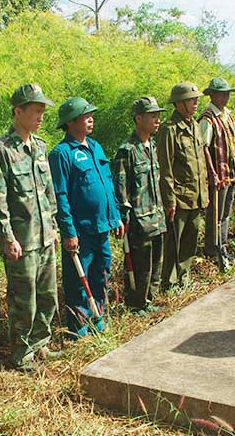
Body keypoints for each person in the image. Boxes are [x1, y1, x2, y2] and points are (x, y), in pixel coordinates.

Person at [0, 84, 62, 372]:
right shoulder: (1, 150)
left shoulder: (40, 146)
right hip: (22, 239)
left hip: (44, 236)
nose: (41, 116)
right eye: (36, 111)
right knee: (23, 299)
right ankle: (22, 352)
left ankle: (41, 342)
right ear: (18, 112)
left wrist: (53, 227)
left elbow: (48, 192)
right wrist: (7, 237)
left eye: (43, 111)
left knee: (47, 295)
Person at [49, 96, 123, 338]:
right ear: (70, 122)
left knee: (102, 273)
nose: (90, 118)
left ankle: (97, 317)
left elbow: (108, 184)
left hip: (102, 225)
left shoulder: (95, 147)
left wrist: (116, 216)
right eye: (84, 115)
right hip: (81, 231)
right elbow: (60, 195)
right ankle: (78, 328)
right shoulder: (62, 154)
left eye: (90, 114)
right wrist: (68, 231)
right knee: (78, 281)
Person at [111, 96, 167, 314]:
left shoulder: (152, 146)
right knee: (140, 266)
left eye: (158, 115)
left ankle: (149, 300)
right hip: (139, 221)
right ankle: (136, 304)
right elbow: (121, 189)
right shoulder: (127, 150)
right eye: (152, 116)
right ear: (138, 119)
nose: (157, 120)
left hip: (157, 217)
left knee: (156, 264)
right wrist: (124, 218)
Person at [156, 82, 209, 292]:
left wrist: (204, 192)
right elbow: (165, 169)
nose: (195, 103)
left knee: (190, 240)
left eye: (196, 99)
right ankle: (169, 284)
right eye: (191, 100)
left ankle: (183, 278)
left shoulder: (194, 126)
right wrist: (169, 201)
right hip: (179, 198)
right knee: (173, 243)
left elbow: (200, 163)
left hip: (196, 196)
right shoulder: (169, 129)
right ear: (179, 103)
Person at [199, 77, 235, 271]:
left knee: (225, 213)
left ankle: (222, 247)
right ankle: (212, 250)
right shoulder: (207, 118)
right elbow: (203, 147)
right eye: (221, 94)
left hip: (230, 172)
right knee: (214, 215)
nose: (225, 97)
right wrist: (212, 174)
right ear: (212, 95)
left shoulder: (227, 115)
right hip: (218, 174)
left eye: (227, 94)